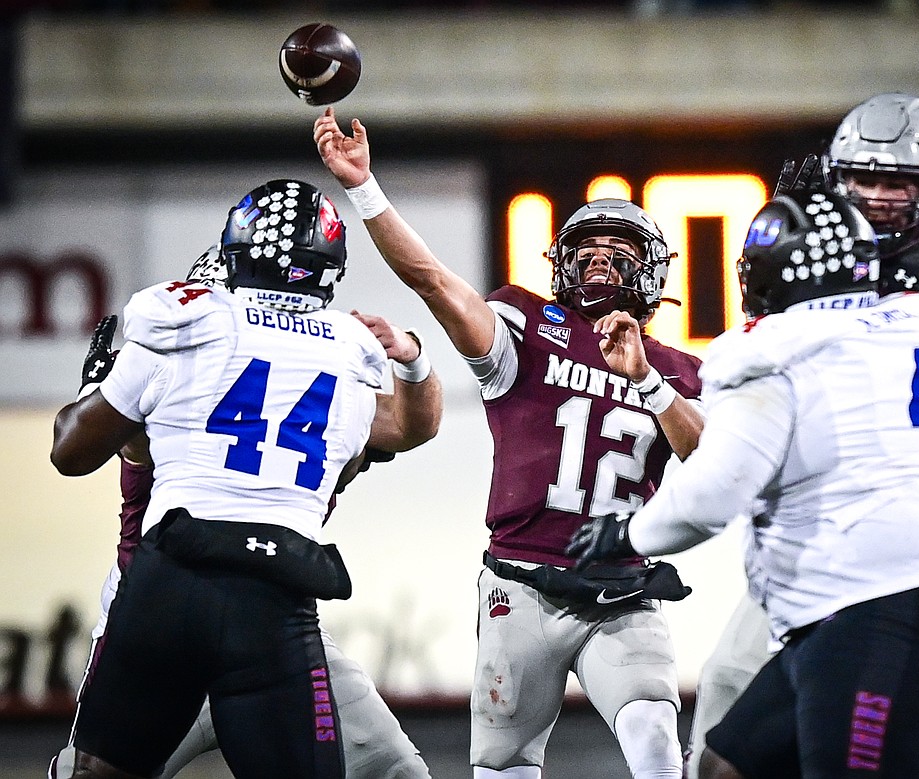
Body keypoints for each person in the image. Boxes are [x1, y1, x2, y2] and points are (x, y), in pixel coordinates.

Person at [684, 92, 919, 779]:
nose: (882, 197)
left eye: (900, 181)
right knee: (722, 711)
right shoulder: (812, 238)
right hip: (817, 529)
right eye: (865, 179)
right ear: (840, 177)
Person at [315, 107, 705, 779]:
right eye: (587, 250)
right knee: (502, 768)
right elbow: (433, 280)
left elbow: (709, 460)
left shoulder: (675, 365)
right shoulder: (524, 324)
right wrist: (365, 187)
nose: (600, 263)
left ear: (652, 273)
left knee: (656, 743)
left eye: (619, 254)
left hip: (622, 594)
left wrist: (646, 379)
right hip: (519, 589)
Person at [568, 189, 919, 778]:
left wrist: (627, 535)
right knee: (725, 767)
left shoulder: (773, 349)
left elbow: (714, 495)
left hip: (876, 611)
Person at [49, 179, 430, 779]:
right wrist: (412, 357)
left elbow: (74, 450)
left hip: (166, 590)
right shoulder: (346, 356)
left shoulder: (177, 333)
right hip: (272, 593)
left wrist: (100, 389)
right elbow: (395, 435)